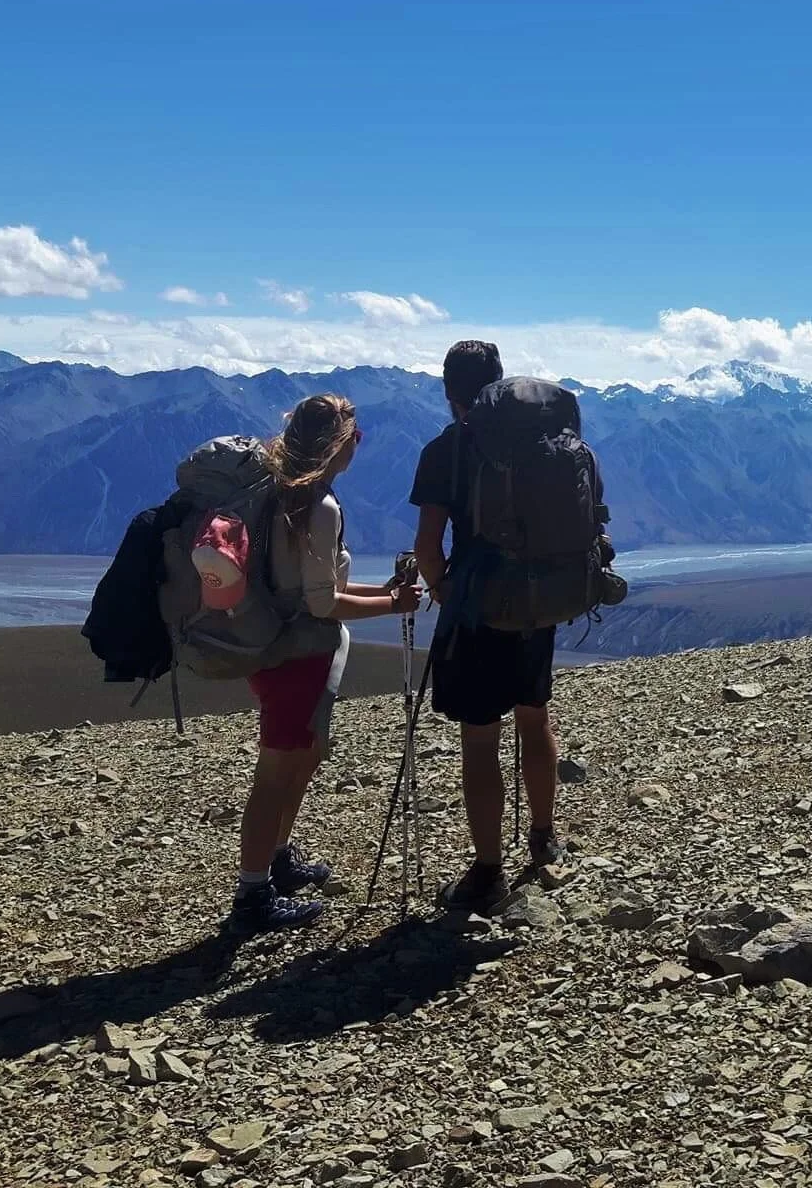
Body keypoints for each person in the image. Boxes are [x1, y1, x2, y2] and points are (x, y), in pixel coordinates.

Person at [232, 393, 421, 933]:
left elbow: (320, 586)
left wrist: (382, 591)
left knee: (303, 755)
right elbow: (322, 602)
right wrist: (394, 604)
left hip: (275, 646)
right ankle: (252, 895)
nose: (359, 448)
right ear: (339, 442)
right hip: (299, 656)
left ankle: (276, 860)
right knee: (276, 772)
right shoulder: (320, 506)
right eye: (356, 438)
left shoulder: (278, 493)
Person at [412, 341, 571, 913]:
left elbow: (428, 547)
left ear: (450, 391)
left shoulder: (446, 450)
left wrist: (443, 590)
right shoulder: (545, 442)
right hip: (539, 601)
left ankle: (487, 870)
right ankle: (545, 837)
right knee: (534, 716)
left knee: (480, 737)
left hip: (477, 608)